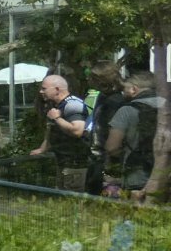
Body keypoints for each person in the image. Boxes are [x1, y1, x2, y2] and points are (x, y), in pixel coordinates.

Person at [103, 70, 165, 196]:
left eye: (125, 88)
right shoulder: (167, 107)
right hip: (166, 175)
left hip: (137, 176)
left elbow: (112, 147)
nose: (123, 91)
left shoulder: (127, 110)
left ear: (133, 89)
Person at [29, 73, 91, 191]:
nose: (41, 92)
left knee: (72, 202)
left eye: (44, 89)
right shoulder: (56, 105)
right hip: (63, 161)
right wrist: (43, 148)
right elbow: (51, 129)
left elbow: (77, 131)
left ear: (57, 89)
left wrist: (57, 118)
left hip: (75, 163)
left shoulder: (73, 104)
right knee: (62, 201)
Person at [83, 60, 127, 195]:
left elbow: (115, 134)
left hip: (108, 162)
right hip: (97, 158)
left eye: (91, 77)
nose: (87, 79)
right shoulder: (103, 97)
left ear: (101, 80)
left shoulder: (115, 101)